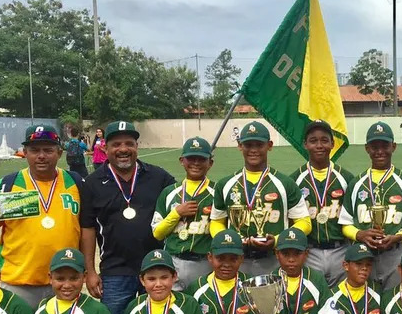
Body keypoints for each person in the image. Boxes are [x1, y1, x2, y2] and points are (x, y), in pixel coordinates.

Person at [0, 123, 85, 308]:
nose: (41, 156)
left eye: (48, 150)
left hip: (64, 281)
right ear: (24, 152)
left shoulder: (75, 183)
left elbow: (87, 228)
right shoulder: (8, 185)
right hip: (18, 283)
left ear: (59, 152)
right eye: (34, 150)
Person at [81, 120, 176, 314]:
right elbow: (87, 229)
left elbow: (180, 202)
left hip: (155, 268)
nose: (123, 149)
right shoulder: (92, 183)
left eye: (129, 143)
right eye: (116, 144)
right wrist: (90, 272)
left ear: (136, 147)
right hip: (115, 271)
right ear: (105, 148)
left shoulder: (159, 177)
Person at [209, 120, 312, 277]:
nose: (253, 150)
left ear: (269, 145)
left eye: (259, 145)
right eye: (248, 145)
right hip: (237, 260)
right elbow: (216, 221)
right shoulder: (225, 184)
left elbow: (304, 222)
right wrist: (230, 242)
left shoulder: (285, 183)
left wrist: (277, 240)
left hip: (273, 259)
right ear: (240, 146)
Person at [339, 122, 402, 291]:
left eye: (384, 145)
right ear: (366, 148)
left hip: (395, 253)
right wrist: (360, 234)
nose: (379, 151)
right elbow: (345, 224)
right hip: (363, 255)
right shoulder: (356, 183)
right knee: (364, 304)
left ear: (393, 146)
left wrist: (398, 237)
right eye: (374, 146)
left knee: (394, 303)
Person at [291, 120, 357, 287]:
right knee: (311, 300)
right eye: (313, 141)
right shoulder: (294, 180)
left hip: (340, 250)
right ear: (305, 145)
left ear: (332, 144)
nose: (319, 145)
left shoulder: (347, 179)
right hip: (309, 251)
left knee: (341, 301)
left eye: (324, 140)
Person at [152, 137, 216, 291]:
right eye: (191, 158)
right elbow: (157, 233)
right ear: (182, 160)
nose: (196, 163)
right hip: (174, 261)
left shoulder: (217, 192)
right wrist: (176, 213)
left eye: (201, 159)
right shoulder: (169, 192)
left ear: (210, 163)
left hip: (204, 263)